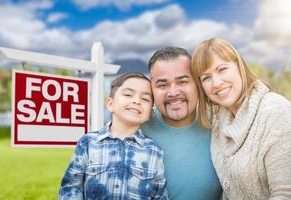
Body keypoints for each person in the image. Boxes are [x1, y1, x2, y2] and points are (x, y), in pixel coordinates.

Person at [191, 37, 291, 199]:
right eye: (206, 77)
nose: (216, 83)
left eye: (222, 69)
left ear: (239, 66)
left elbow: (285, 194)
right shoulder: (219, 121)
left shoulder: (276, 112)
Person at [58, 72, 168, 199]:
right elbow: (71, 187)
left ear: (149, 113)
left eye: (145, 99)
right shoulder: (88, 143)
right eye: (128, 94)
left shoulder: (154, 151)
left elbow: (159, 195)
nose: (137, 101)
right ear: (110, 104)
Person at [141, 47, 222, 199]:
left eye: (182, 82)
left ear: (197, 84)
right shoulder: (137, 129)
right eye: (162, 85)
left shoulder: (220, 126)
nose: (173, 92)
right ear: (151, 90)